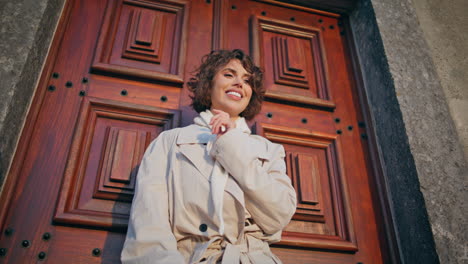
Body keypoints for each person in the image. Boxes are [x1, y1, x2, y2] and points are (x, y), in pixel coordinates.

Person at [121, 49, 297, 264]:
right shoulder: (169, 142)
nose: (239, 83)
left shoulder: (269, 150)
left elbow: (278, 216)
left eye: (247, 80)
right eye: (229, 74)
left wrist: (231, 144)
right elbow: (148, 224)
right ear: (209, 83)